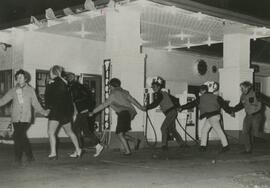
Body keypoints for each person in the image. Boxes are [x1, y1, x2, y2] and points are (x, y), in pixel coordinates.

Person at [0, 69, 49, 164]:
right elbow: (3, 100)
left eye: (21, 77)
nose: (19, 78)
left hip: (26, 118)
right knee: (20, 137)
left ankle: (18, 158)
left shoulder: (31, 90)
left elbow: (35, 103)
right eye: (17, 77)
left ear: (26, 78)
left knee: (19, 136)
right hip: (15, 118)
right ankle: (29, 156)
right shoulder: (13, 90)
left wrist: (43, 112)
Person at [89, 78, 143, 155]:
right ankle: (135, 140)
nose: (109, 87)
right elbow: (133, 100)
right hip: (129, 113)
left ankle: (128, 151)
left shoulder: (113, 94)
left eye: (110, 86)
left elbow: (104, 105)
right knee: (121, 133)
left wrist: (93, 112)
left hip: (123, 113)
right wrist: (141, 108)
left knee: (119, 133)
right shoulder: (124, 92)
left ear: (111, 86)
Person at [179, 84, 231, 153]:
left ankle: (226, 146)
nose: (200, 92)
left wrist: (182, 107)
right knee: (204, 130)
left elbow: (191, 104)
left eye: (200, 91)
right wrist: (230, 112)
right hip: (214, 116)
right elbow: (224, 105)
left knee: (218, 130)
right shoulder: (216, 97)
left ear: (203, 90)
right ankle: (203, 146)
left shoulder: (201, 98)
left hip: (212, 117)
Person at [45, 65, 82, 160]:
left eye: (50, 73)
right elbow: (69, 100)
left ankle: (53, 153)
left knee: (51, 132)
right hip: (65, 112)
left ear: (53, 73)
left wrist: (47, 108)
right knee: (69, 132)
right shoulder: (65, 83)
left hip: (55, 112)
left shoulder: (52, 83)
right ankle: (78, 149)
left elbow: (48, 98)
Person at [65, 73, 103, 157]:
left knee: (75, 130)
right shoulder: (81, 86)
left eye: (67, 78)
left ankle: (79, 149)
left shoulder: (73, 87)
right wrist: (90, 110)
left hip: (82, 111)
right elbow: (90, 98)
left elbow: (73, 100)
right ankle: (95, 146)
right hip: (85, 110)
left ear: (69, 79)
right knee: (85, 131)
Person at [143, 76, 184, 151]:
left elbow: (155, 103)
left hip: (171, 112)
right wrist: (178, 106)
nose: (153, 88)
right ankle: (182, 144)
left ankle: (164, 145)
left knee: (163, 128)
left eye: (155, 87)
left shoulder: (159, 94)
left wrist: (147, 107)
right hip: (172, 112)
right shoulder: (164, 93)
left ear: (159, 87)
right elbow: (175, 99)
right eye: (152, 87)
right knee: (172, 129)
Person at [230, 81, 270, 154]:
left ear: (248, 87)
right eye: (241, 88)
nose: (242, 90)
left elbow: (267, 101)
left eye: (243, 88)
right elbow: (240, 105)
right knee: (245, 132)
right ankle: (248, 150)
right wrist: (232, 110)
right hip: (248, 116)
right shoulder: (243, 96)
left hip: (256, 116)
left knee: (256, 134)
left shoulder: (256, 94)